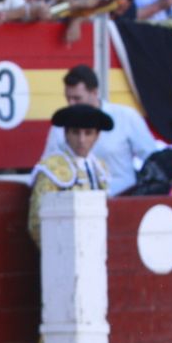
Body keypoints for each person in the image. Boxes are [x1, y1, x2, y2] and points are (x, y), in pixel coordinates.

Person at [37, 65, 161, 195]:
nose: (71, 104)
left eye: (77, 98)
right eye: (68, 98)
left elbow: (151, 157)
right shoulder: (61, 126)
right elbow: (48, 167)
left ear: (94, 93)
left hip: (124, 198)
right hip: (78, 202)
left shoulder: (126, 116)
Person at [28, 103, 114, 241]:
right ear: (66, 134)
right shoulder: (51, 169)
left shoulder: (100, 169)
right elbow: (37, 222)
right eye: (75, 132)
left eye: (88, 133)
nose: (81, 140)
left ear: (97, 136)